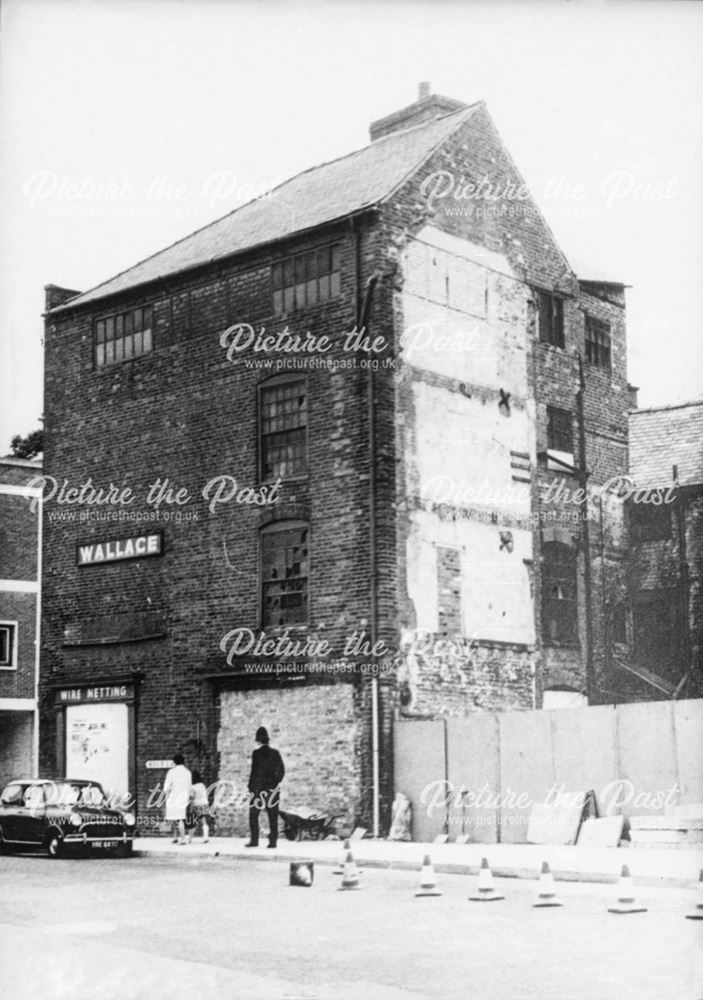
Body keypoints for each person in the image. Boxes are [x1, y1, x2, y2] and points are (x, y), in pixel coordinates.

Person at [245, 726, 285, 848]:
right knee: (273, 815)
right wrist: (275, 782)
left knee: (253, 815)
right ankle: (273, 842)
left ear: (258, 740)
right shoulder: (275, 753)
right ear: (268, 740)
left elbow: (254, 772)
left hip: (257, 789)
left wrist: (251, 787)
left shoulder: (256, 753)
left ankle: (254, 840)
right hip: (272, 789)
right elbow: (281, 770)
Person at [163, 753, 192, 844]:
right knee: (180, 818)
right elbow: (189, 786)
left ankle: (181, 838)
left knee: (175, 818)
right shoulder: (188, 772)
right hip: (183, 798)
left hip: (173, 797)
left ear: (174, 762)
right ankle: (176, 837)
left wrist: (166, 794)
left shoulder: (171, 772)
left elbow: (166, 786)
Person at [186, 770, 211, 844]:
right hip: (204, 804)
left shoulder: (192, 787)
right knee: (204, 821)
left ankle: (190, 838)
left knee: (193, 822)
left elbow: (191, 798)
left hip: (196, 805)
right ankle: (206, 836)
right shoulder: (202, 785)